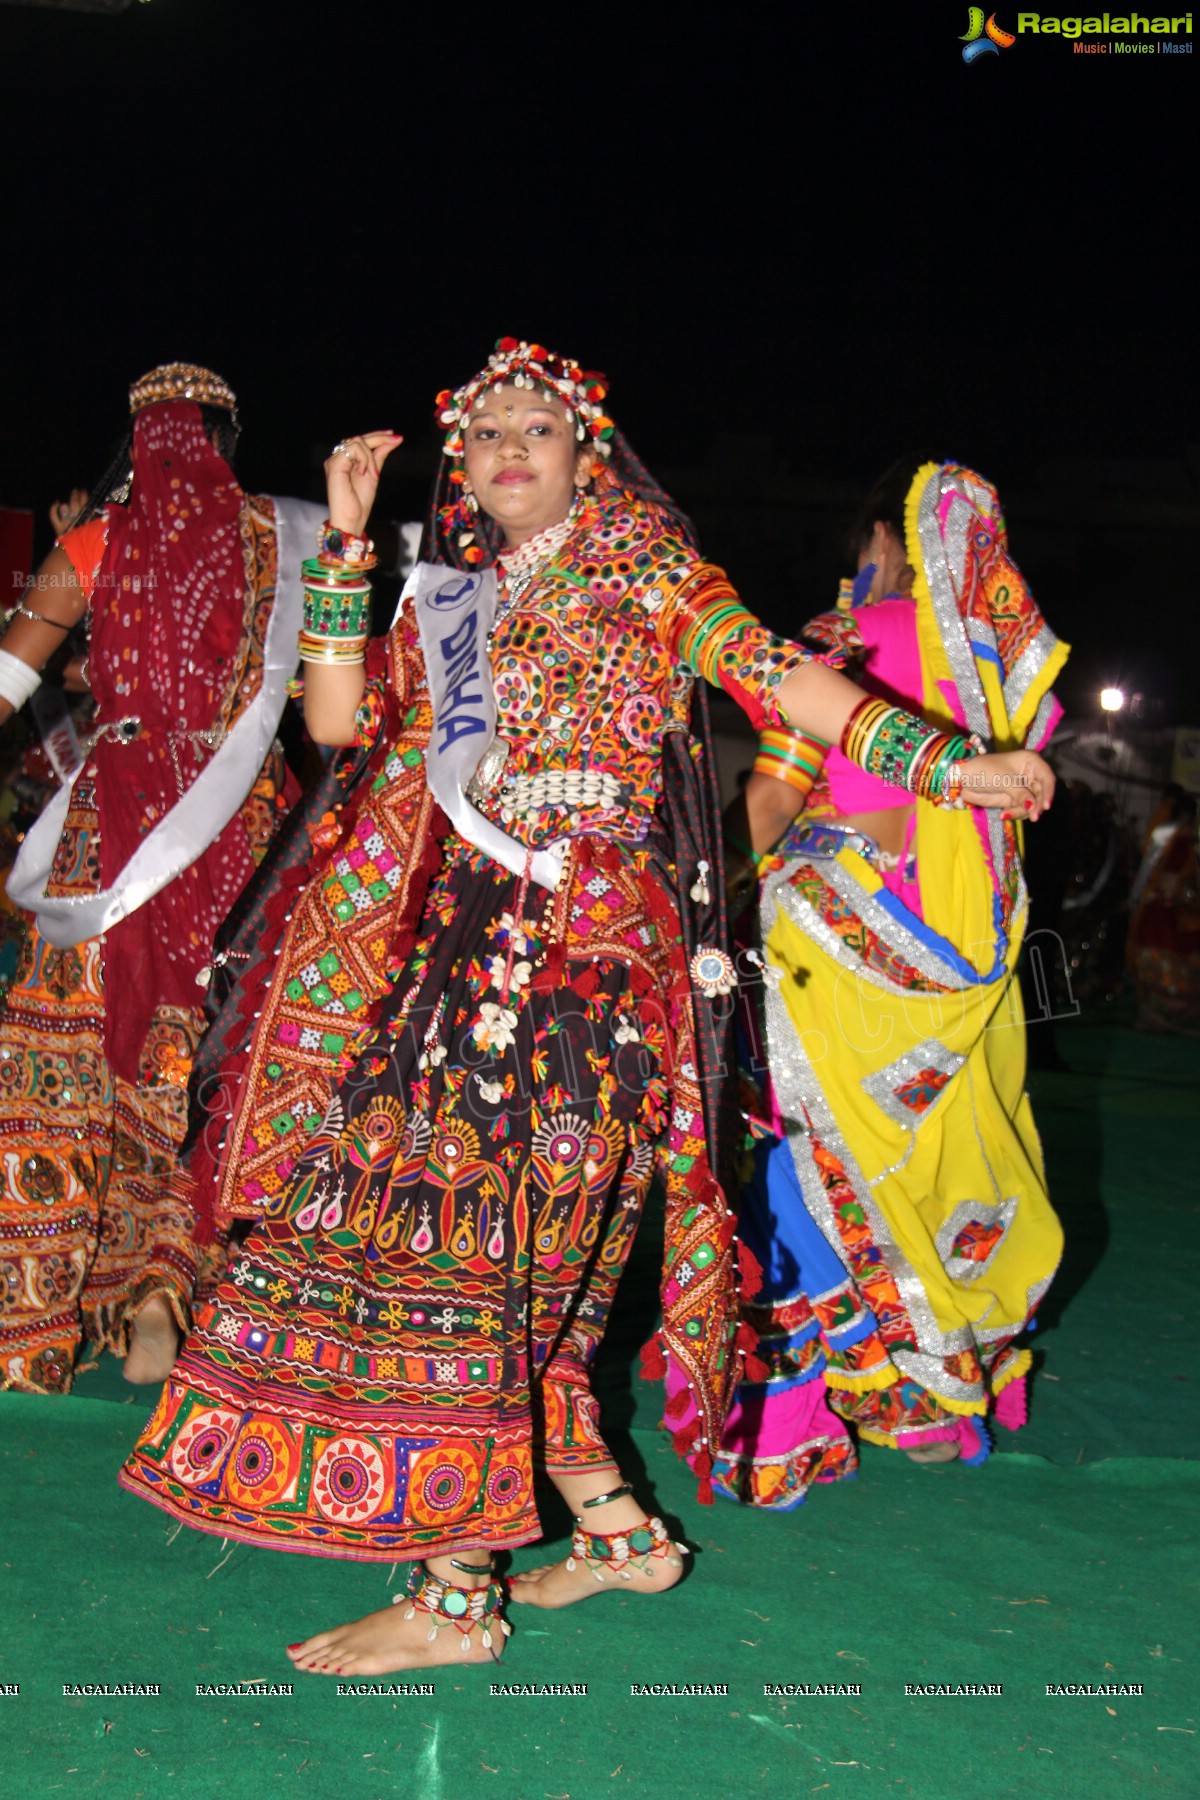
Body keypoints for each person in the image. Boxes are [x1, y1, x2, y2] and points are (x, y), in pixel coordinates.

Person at [120, 347, 1053, 1675]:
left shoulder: (645, 567)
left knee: (495, 1252)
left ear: (585, 449)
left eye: (536, 426)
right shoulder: (449, 596)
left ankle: (453, 1600)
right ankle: (620, 1539)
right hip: (455, 951)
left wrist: (954, 765)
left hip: (588, 955)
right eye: (484, 430)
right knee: (499, 1253)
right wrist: (339, 541)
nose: (507, 446)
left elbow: (780, 678)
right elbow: (336, 721)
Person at [710, 456, 1068, 1507]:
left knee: (794, 1153)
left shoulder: (842, 648)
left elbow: (774, 803)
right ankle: (948, 1390)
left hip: (835, 933)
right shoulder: (1001, 683)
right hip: (952, 949)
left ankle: (824, 1412)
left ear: (881, 543)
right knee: (941, 1149)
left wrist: (708, 882)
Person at [0, 363, 322, 1393]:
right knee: (223, 1053)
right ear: (230, 444)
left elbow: (6, 683)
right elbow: (331, 700)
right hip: (247, 824)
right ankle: (169, 1291)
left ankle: (48, 1312)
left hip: (118, 827)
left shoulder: (95, 545)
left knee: (79, 1058)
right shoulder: (288, 545)